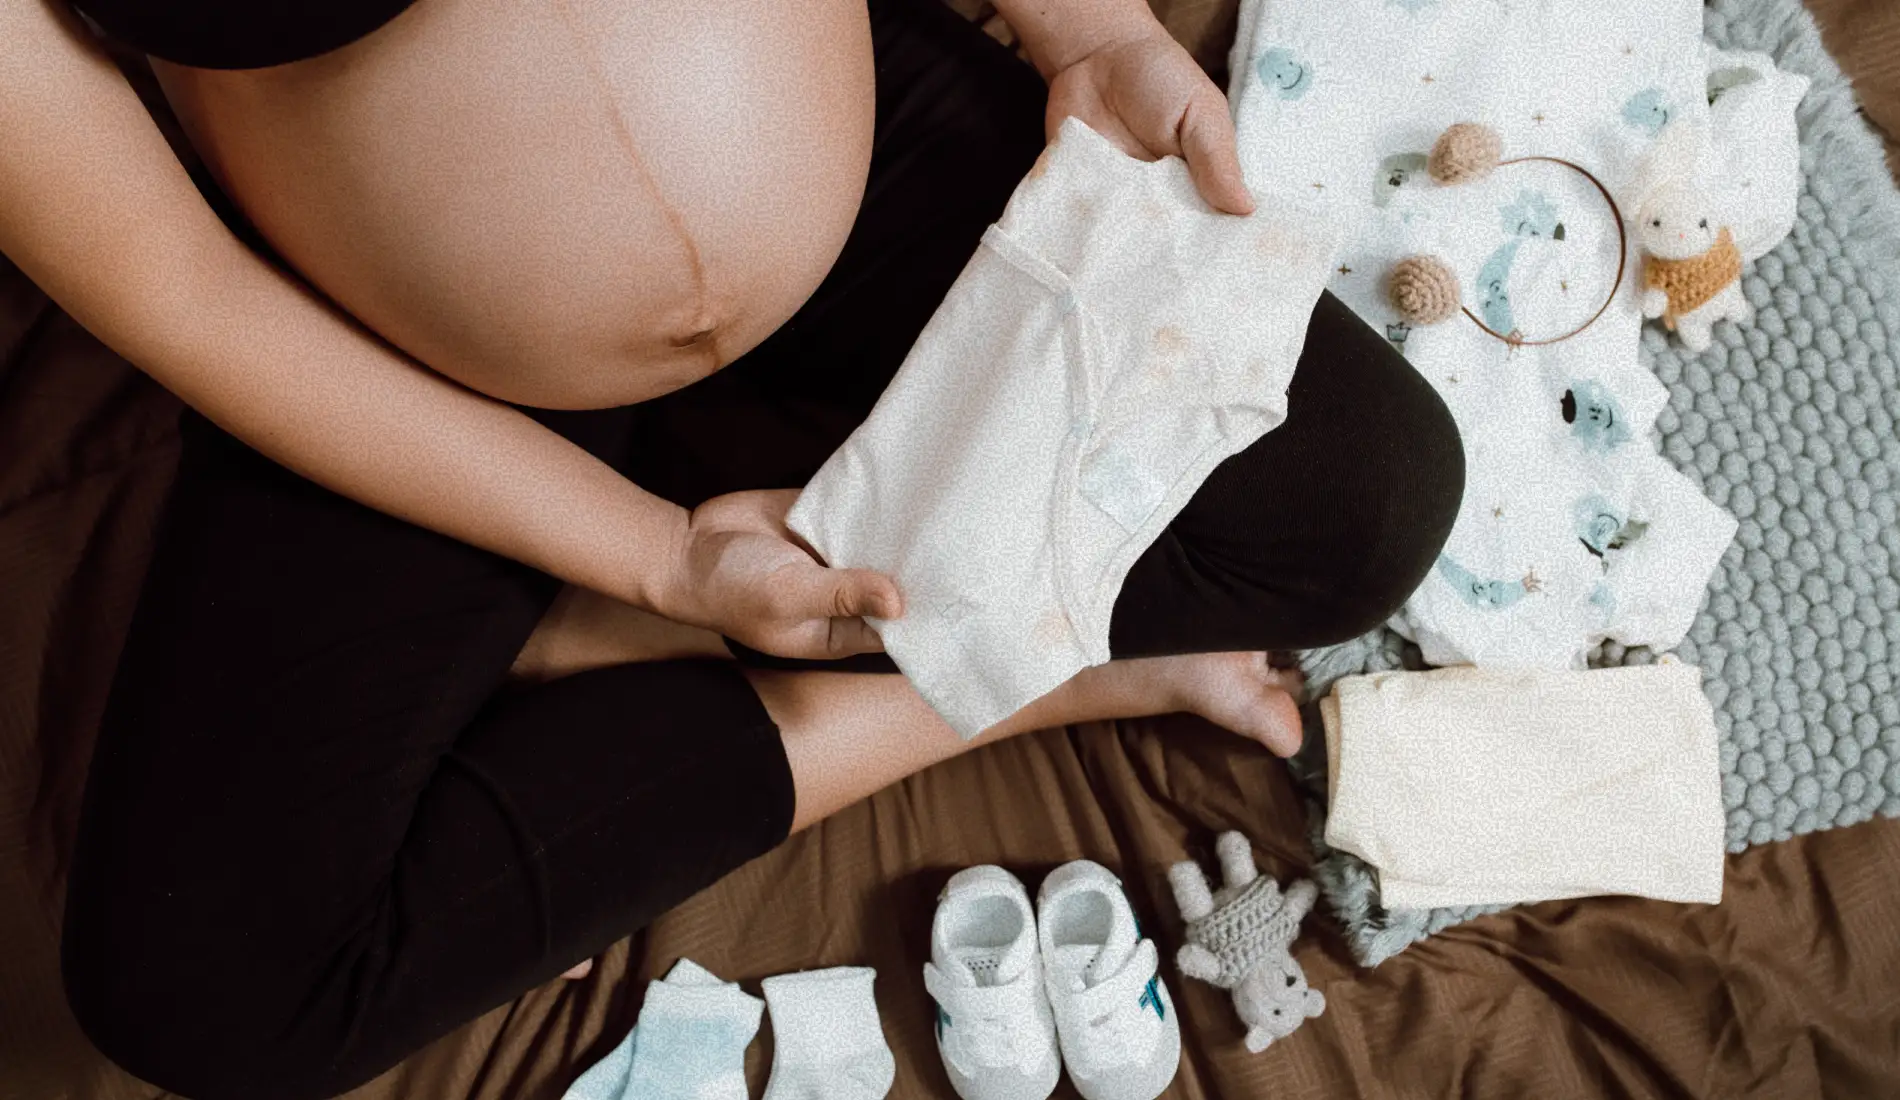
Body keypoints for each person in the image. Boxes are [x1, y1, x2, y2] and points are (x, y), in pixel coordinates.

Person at [0, 0, 1463, 1095]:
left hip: (859, 163)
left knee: (1358, 502)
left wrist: (1088, 28)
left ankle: (951, 645)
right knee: (209, 994)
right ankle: (1049, 673)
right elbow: (180, 287)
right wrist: (654, 561)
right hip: (404, 339)